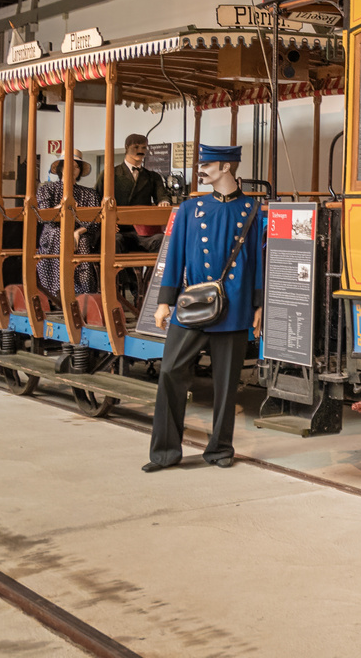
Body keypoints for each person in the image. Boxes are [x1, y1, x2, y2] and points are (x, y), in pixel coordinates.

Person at [143, 145, 264, 472]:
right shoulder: (190, 209)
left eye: (207, 164)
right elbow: (174, 256)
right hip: (193, 304)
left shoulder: (252, 209)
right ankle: (165, 452)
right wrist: (164, 301)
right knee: (169, 372)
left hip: (234, 305)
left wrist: (258, 304)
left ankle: (220, 449)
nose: (202, 169)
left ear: (225, 166)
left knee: (227, 384)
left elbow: (257, 261)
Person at [35, 151, 100, 305]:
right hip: (53, 234)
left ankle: (84, 293)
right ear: (61, 168)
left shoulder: (89, 193)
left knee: (83, 241)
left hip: (81, 234)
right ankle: (56, 292)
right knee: (59, 234)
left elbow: (95, 220)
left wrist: (78, 232)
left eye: (77, 166)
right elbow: (45, 217)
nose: (73, 169)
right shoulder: (46, 189)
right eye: (69, 165)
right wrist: (62, 206)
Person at [113, 133, 169, 252]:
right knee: (114, 242)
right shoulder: (111, 174)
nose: (140, 151)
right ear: (127, 147)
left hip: (143, 232)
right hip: (119, 229)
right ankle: (126, 272)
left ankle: (152, 272)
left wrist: (164, 202)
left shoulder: (153, 177)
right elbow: (98, 198)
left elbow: (162, 196)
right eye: (136, 147)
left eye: (143, 148)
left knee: (161, 240)